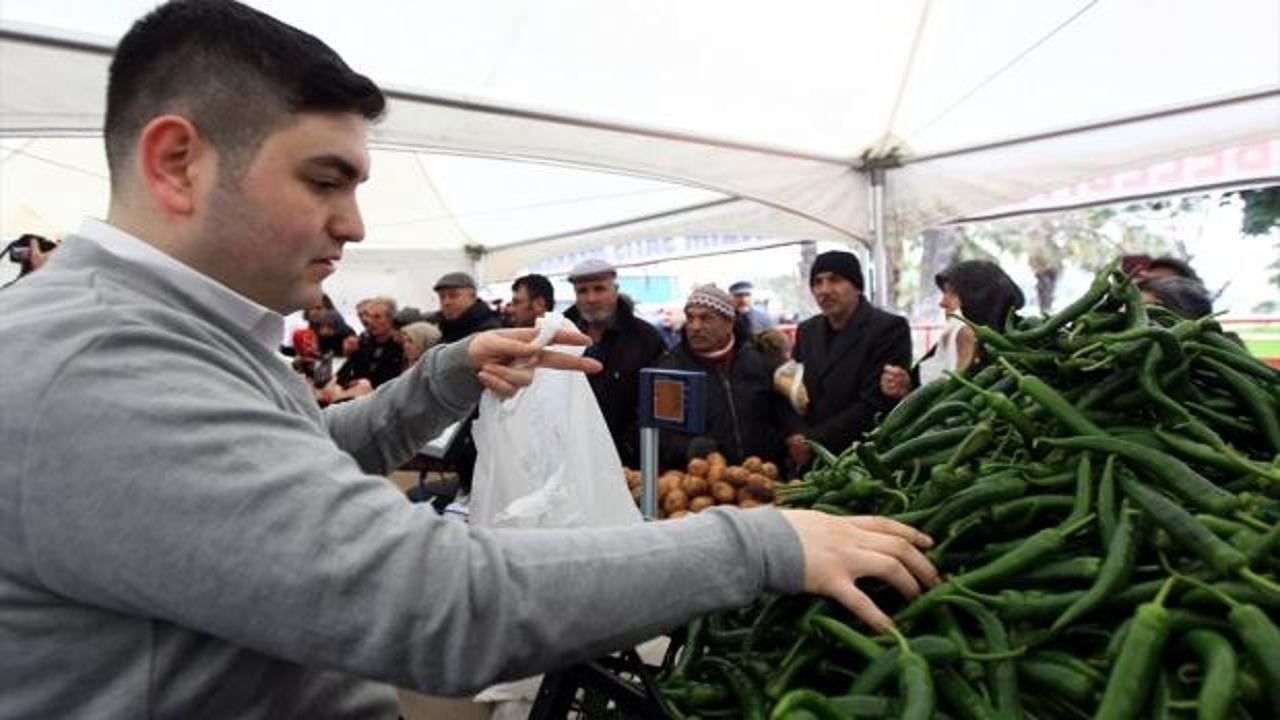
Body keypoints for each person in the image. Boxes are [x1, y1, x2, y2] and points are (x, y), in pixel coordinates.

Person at [0, 2, 937, 716]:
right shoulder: (96, 365)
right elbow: (433, 603)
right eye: (324, 180)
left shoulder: (169, 332)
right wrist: (763, 543)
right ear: (177, 163)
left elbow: (304, 456)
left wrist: (444, 377)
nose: (353, 225)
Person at [787, 250, 912, 466]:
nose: (824, 290)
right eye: (817, 282)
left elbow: (876, 402)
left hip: (861, 457)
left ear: (856, 286)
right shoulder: (807, 331)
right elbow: (793, 389)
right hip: (810, 459)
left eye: (835, 280)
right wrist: (795, 433)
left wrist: (814, 440)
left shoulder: (888, 328)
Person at [657, 285, 801, 468]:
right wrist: (689, 447)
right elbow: (661, 435)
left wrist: (794, 434)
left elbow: (786, 412)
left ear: (728, 323)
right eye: (690, 318)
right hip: (705, 483)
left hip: (765, 475)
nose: (695, 327)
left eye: (705, 318)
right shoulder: (672, 371)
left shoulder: (760, 360)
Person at [563, 257, 668, 466]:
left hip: (627, 462)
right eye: (582, 291)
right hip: (571, 457)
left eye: (599, 289)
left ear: (615, 289)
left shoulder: (645, 338)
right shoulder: (562, 336)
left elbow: (660, 403)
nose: (591, 298)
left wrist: (630, 448)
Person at [880, 260, 1025, 399]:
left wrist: (964, 363)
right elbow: (922, 395)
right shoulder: (951, 340)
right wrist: (906, 385)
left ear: (979, 299)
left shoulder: (1017, 353)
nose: (942, 303)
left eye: (952, 294)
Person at [336, 296, 405, 388]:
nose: (371, 322)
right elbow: (345, 374)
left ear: (391, 319)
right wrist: (350, 354)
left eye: (377, 317)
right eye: (370, 317)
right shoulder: (364, 342)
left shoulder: (400, 346)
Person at [431, 271, 503, 342]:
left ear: (473, 296)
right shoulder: (446, 326)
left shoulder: (488, 330)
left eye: (453, 295)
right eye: (442, 297)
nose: (446, 302)